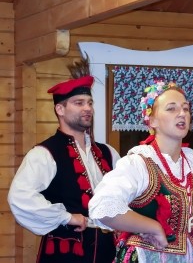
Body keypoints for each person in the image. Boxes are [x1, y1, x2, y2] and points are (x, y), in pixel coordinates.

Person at [88, 80, 193, 263]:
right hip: (146, 257)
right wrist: (152, 227)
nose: (182, 113)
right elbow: (103, 207)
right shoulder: (138, 164)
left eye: (186, 108)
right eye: (171, 108)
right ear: (152, 120)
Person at [7, 59, 120, 263]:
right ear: (60, 109)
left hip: (107, 251)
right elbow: (20, 197)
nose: (88, 108)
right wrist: (66, 217)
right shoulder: (45, 153)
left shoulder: (108, 153)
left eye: (90, 103)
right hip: (66, 253)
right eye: (79, 103)